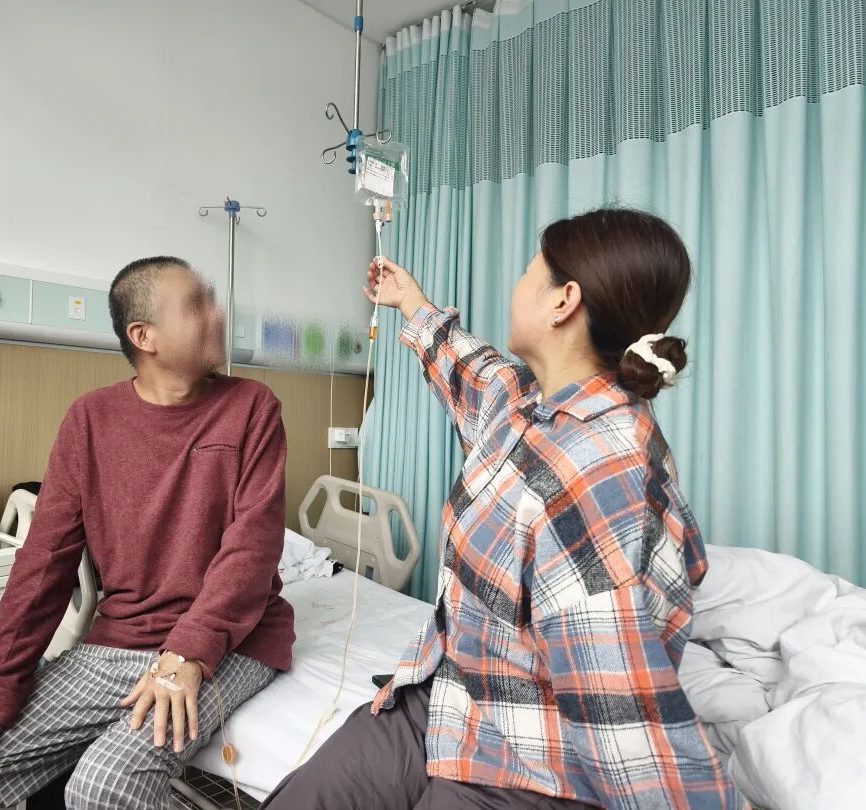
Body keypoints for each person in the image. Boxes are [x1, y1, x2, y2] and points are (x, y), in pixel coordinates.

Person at [263, 209, 744, 809]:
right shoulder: (526, 404)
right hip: (446, 693)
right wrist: (411, 302)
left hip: (527, 752)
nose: (517, 287)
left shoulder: (599, 471)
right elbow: (474, 372)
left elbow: (617, 704)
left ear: (564, 301)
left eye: (527, 273)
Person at [0, 256, 295, 810]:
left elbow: (252, 548)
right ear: (144, 336)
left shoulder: (251, 407)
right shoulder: (90, 419)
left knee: (103, 785)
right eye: (196, 305)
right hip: (118, 641)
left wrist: (186, 653)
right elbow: (44, 562)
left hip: (231, 643)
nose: (217, 314)